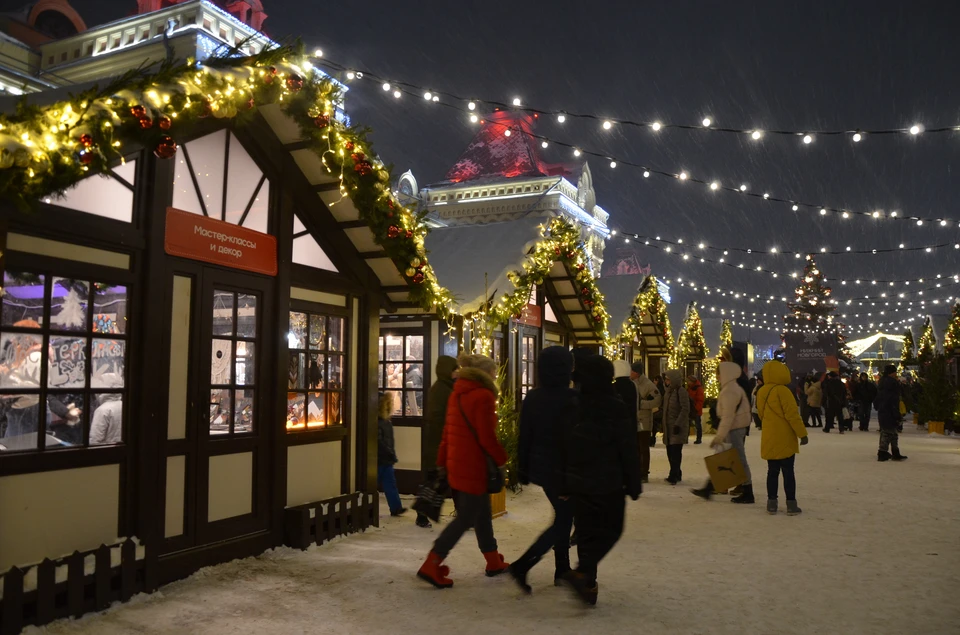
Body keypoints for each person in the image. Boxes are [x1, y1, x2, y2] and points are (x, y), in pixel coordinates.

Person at [417, 354, 509, 589]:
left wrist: (441, 461)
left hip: (457, 463)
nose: (496, 377)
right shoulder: (484, 396)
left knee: (482, 513)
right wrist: (502, 459)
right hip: (474, 465)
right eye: (494, 373)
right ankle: (432, 562)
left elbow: (447, 433)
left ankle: (492, 560)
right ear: (485, 374)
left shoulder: (457, 393)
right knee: (467, 517)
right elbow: (487, 437)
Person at [560, 355, 641, 605]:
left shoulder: (573, 404)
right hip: (609, 482)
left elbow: (562, 446)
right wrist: (633, 481)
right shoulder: (614, 404)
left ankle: (588, 584)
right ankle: (584, 573)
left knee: (585, 531)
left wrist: (563, 481)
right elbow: (627, 446)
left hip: (578, 481)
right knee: (612, 530)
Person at [510, 347, 578, 593]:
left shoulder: (534, 397)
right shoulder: (571, 398)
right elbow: (572, 441)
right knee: (563, 522)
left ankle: (561, 568)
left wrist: (523, 468)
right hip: (564, 472)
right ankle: (524, 564)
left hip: (544, 469)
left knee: (564, 518)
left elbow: (524, 436)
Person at [692, 361, 755, 503]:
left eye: (718, 373)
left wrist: (719, 436)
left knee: (737, 459)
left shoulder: (730, 391)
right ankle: (709, 488)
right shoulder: (732, 388)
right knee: (723, 457)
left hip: (734, 429)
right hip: (734, 428)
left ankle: (748, 491)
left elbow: (728, 416)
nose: (717, 376)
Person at [756, 360, 809, 516]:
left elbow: (760, 414)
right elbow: (792, 415)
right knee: (788, 471)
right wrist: (802, 434)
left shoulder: (761, 391)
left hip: (769, 436)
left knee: (772, 471)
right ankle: (791, 504)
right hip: (785, 436)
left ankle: (771, 503)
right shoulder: (783, 391)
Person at [417, 355, 458, 528]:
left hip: (438, 443)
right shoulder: (444, 390)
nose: (457, 373)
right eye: (454, 370)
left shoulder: (441, 388)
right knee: (438, 480)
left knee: (438, 480)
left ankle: (423, 514)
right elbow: (443, 418)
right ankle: (422, 514)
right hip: (439, 443)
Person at [630, 362, 661, 483]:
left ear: (636, 373)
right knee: (636, 447)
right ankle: (637, 471)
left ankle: (644, 473)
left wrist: (641, 404)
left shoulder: (648, 385)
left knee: (643, 447)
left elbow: (657, 401)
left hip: (644, 421)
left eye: (631, 371)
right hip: (634, 420)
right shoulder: (631, 383)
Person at [377, 394, 406, 517]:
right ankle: (395, 507)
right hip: (383, 458)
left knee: (388, 483)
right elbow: (382, 442)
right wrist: (391, 453)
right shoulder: (385, 422)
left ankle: (396, 507)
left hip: (383, 458)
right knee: (390, 484)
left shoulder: (382, 422)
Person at [874, 365, 908, 462]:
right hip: (889, 410)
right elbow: (892, 400)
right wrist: (896, 412)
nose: (896, 374)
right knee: (888, 431)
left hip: (884, 410)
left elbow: (878, 397)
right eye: (894, 372)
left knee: (892, 431)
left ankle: (894, 451)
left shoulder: (882, 383)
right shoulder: (891, 384)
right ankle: (883, 452)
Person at [662, 369, 690, 484]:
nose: (666, 381)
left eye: (668, 379)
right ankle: (676, 472)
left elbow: (685, 408)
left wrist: (678, 423)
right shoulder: (668, 392)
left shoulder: (681, 391)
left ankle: (674, 474)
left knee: (675, 451)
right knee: (670, 451)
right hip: (668, 427)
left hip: (677, 427)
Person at [687, 375, 705, 444]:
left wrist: (696, 409)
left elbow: (700, 400)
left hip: (696, 410)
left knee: (698, 425)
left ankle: (699, 438)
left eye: (689, 381)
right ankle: (686, 438)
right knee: (688, 424)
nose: (688, 382)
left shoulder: (698, 388)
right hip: (691, 409)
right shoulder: (690, 388)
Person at [651, 375, 665, 447]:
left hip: (658, 410)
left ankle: (652, 439)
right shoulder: (660, 389)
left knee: (652, 423)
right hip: (658, 409)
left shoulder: (657, 390)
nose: (654, 382)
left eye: (655, 380)